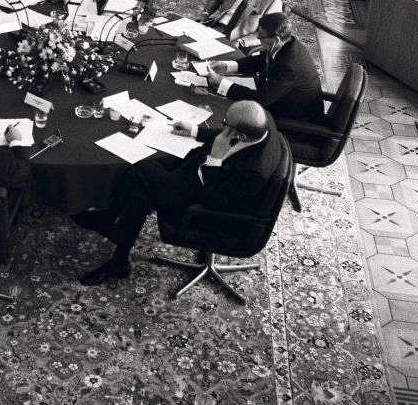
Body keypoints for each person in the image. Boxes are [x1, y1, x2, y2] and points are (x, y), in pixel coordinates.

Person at [77, 100, 288, 285]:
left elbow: (217, 199)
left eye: (225, 124)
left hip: (207, 204)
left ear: (240, 135)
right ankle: (116, 243)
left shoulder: (255, 172)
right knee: (143, 175)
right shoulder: (261, 120)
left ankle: (114, 238)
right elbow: (228, 134)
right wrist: (195, 131)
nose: (222, 126)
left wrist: (215, 157)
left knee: (140, 181)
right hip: (200, 170)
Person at [203, 13, 325, 125]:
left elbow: (261, 99)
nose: (258, 39)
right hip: (278, 99)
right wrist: (227, 66)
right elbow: (261, 60)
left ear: (276, 39)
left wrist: (222, 84)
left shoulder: (290, 66)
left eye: (260, 36)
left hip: (293, 119)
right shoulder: (286, 43)